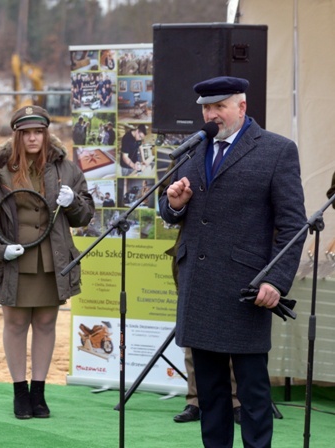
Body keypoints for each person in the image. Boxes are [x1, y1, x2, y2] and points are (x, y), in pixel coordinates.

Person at [159, 76, 306, 447]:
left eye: (219, 107)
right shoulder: (193, 148)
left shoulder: (276, 150)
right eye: (207, 108)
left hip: (246, 289)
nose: (211, 115)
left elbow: (293, 224)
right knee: (210, 395)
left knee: (253, 397)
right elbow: (170, 209)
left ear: (241, 107)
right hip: (199, 285)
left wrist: (275, 280)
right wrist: (174, 204)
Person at [0, 105, 94, 419]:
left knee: (45, 323)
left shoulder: (66, 169)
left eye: (38, 131)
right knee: (14, 324)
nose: (33, 138)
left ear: (46, 133)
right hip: (14, 258)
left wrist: (73, 202)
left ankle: (38, 393)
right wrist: (0, 249)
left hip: (51, 257)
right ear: (17, 135)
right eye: (26, 133)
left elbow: (85, 215)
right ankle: (19, 392)